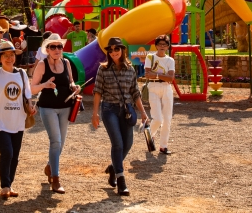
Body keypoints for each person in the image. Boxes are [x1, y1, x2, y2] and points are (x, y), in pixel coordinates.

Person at [92, 37, 149, 196]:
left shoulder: (130, 70)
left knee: (128, 144)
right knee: (117, 143)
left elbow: (135, 93)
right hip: (109, 109)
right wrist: (95, 113)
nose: (113, 52)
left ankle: (113, 167)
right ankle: (121, 180)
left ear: (122, 50)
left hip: (127, 110)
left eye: (116, 49)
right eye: (110, 50)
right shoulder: (103, 69)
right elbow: (97, 92)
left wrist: (143, 113)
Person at [0, 40, 34, 200]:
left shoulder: (21, 74)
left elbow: (27, 94)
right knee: (7, 152)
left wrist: (31, 108)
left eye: (12, 55)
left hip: (18, 121)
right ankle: (4, 185)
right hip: (0, 122)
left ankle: (9, 184)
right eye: (6, 55)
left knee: (15, 155)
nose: (10, 58)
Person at [30, 32, 80, 194]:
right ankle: (55, 178)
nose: (57, 49)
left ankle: (50, 166)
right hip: (48, 107)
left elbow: (71, 80)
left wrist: (74, 87)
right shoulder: (42, 65)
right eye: (53, 46)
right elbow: (32, 88)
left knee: (61, 143)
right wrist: (45, 85)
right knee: (56, 142)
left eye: (59, 46)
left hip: (66, 107)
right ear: (47, 49)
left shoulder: (66, 62)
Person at [144, 34, 176, 155]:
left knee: (167, 119)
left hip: (166, 88)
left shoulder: (170, 60)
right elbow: (147, 74)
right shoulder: (150, 57)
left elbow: (170, 78)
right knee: (157, 118)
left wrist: (156, 75)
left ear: (168, 46)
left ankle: (163, 146)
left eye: (165, 44)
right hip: (153, 87)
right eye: (160, 44)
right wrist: (163, 76)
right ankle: (149, 136)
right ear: (156, 46)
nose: (162, 46)